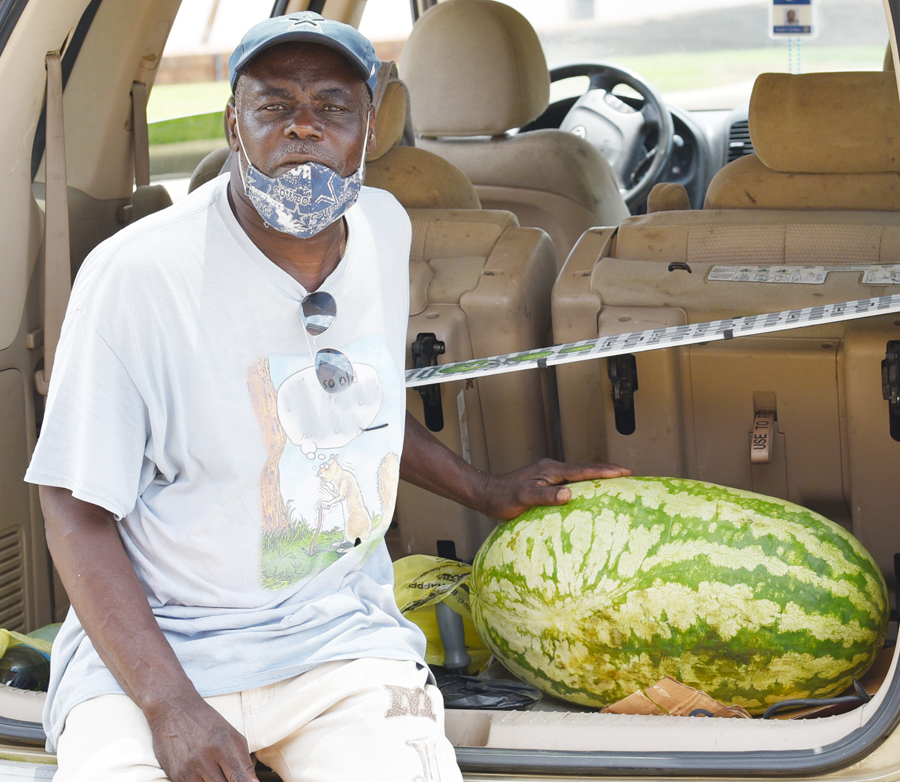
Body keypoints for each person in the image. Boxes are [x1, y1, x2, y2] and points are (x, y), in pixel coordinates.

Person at [26, 12, 630, 782]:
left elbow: (355, 405)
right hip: (150, 655)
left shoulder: (384, 227)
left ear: (369, 126)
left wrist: (483, 489)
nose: (304, 128)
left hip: (334, 640)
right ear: (233, 124)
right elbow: (73, 509)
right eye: (274, 106)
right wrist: (170, 706)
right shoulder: (135, 274)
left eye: (332, 107)